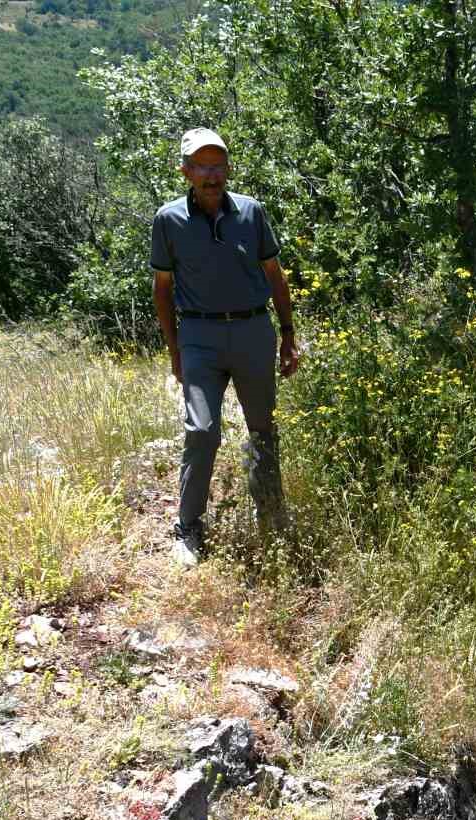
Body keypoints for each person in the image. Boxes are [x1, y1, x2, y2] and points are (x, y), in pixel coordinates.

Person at [151, 127, 299, 567]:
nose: (212, 175)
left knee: (262, 429)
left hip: (253, 330)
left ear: (228, 169)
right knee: (202, 430)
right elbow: (162, 288)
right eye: (202, 166)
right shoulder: (169, 219)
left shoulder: (251, 212)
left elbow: (274, 275)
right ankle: (188, 527)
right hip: (199, 335)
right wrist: (175, 351)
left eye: (218, 166)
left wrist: (288, 334)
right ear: (186, 171)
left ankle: (270, 516)